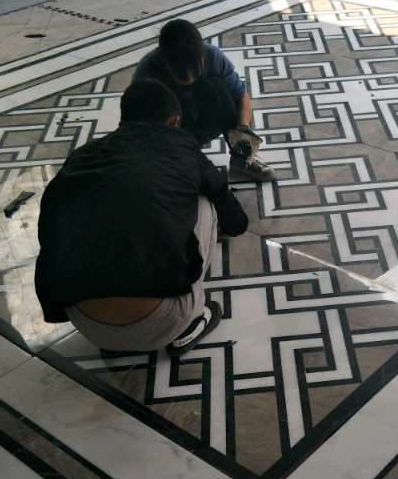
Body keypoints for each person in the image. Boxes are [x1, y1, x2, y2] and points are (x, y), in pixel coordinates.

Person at [35, 79, 248, 357]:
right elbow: (235, 221)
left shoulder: (83, 155)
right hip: (160, 323)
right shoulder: (182, 147)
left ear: (123, 119)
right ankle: (191, 322)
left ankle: (113, 340)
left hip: (83, 321)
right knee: (204, 201)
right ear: (174, 122)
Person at [133, 18, 275, 181]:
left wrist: (242, 132)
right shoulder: (148, 71)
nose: (189, 78)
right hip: (172, 133)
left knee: (217, 86)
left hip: (207, 122)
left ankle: (241, 158)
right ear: (165, 60)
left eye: (195, 69)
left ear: (201, 54)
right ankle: (177, 158)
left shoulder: (213, 56)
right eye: (180, 73)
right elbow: (135, 124)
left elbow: (241, 96)